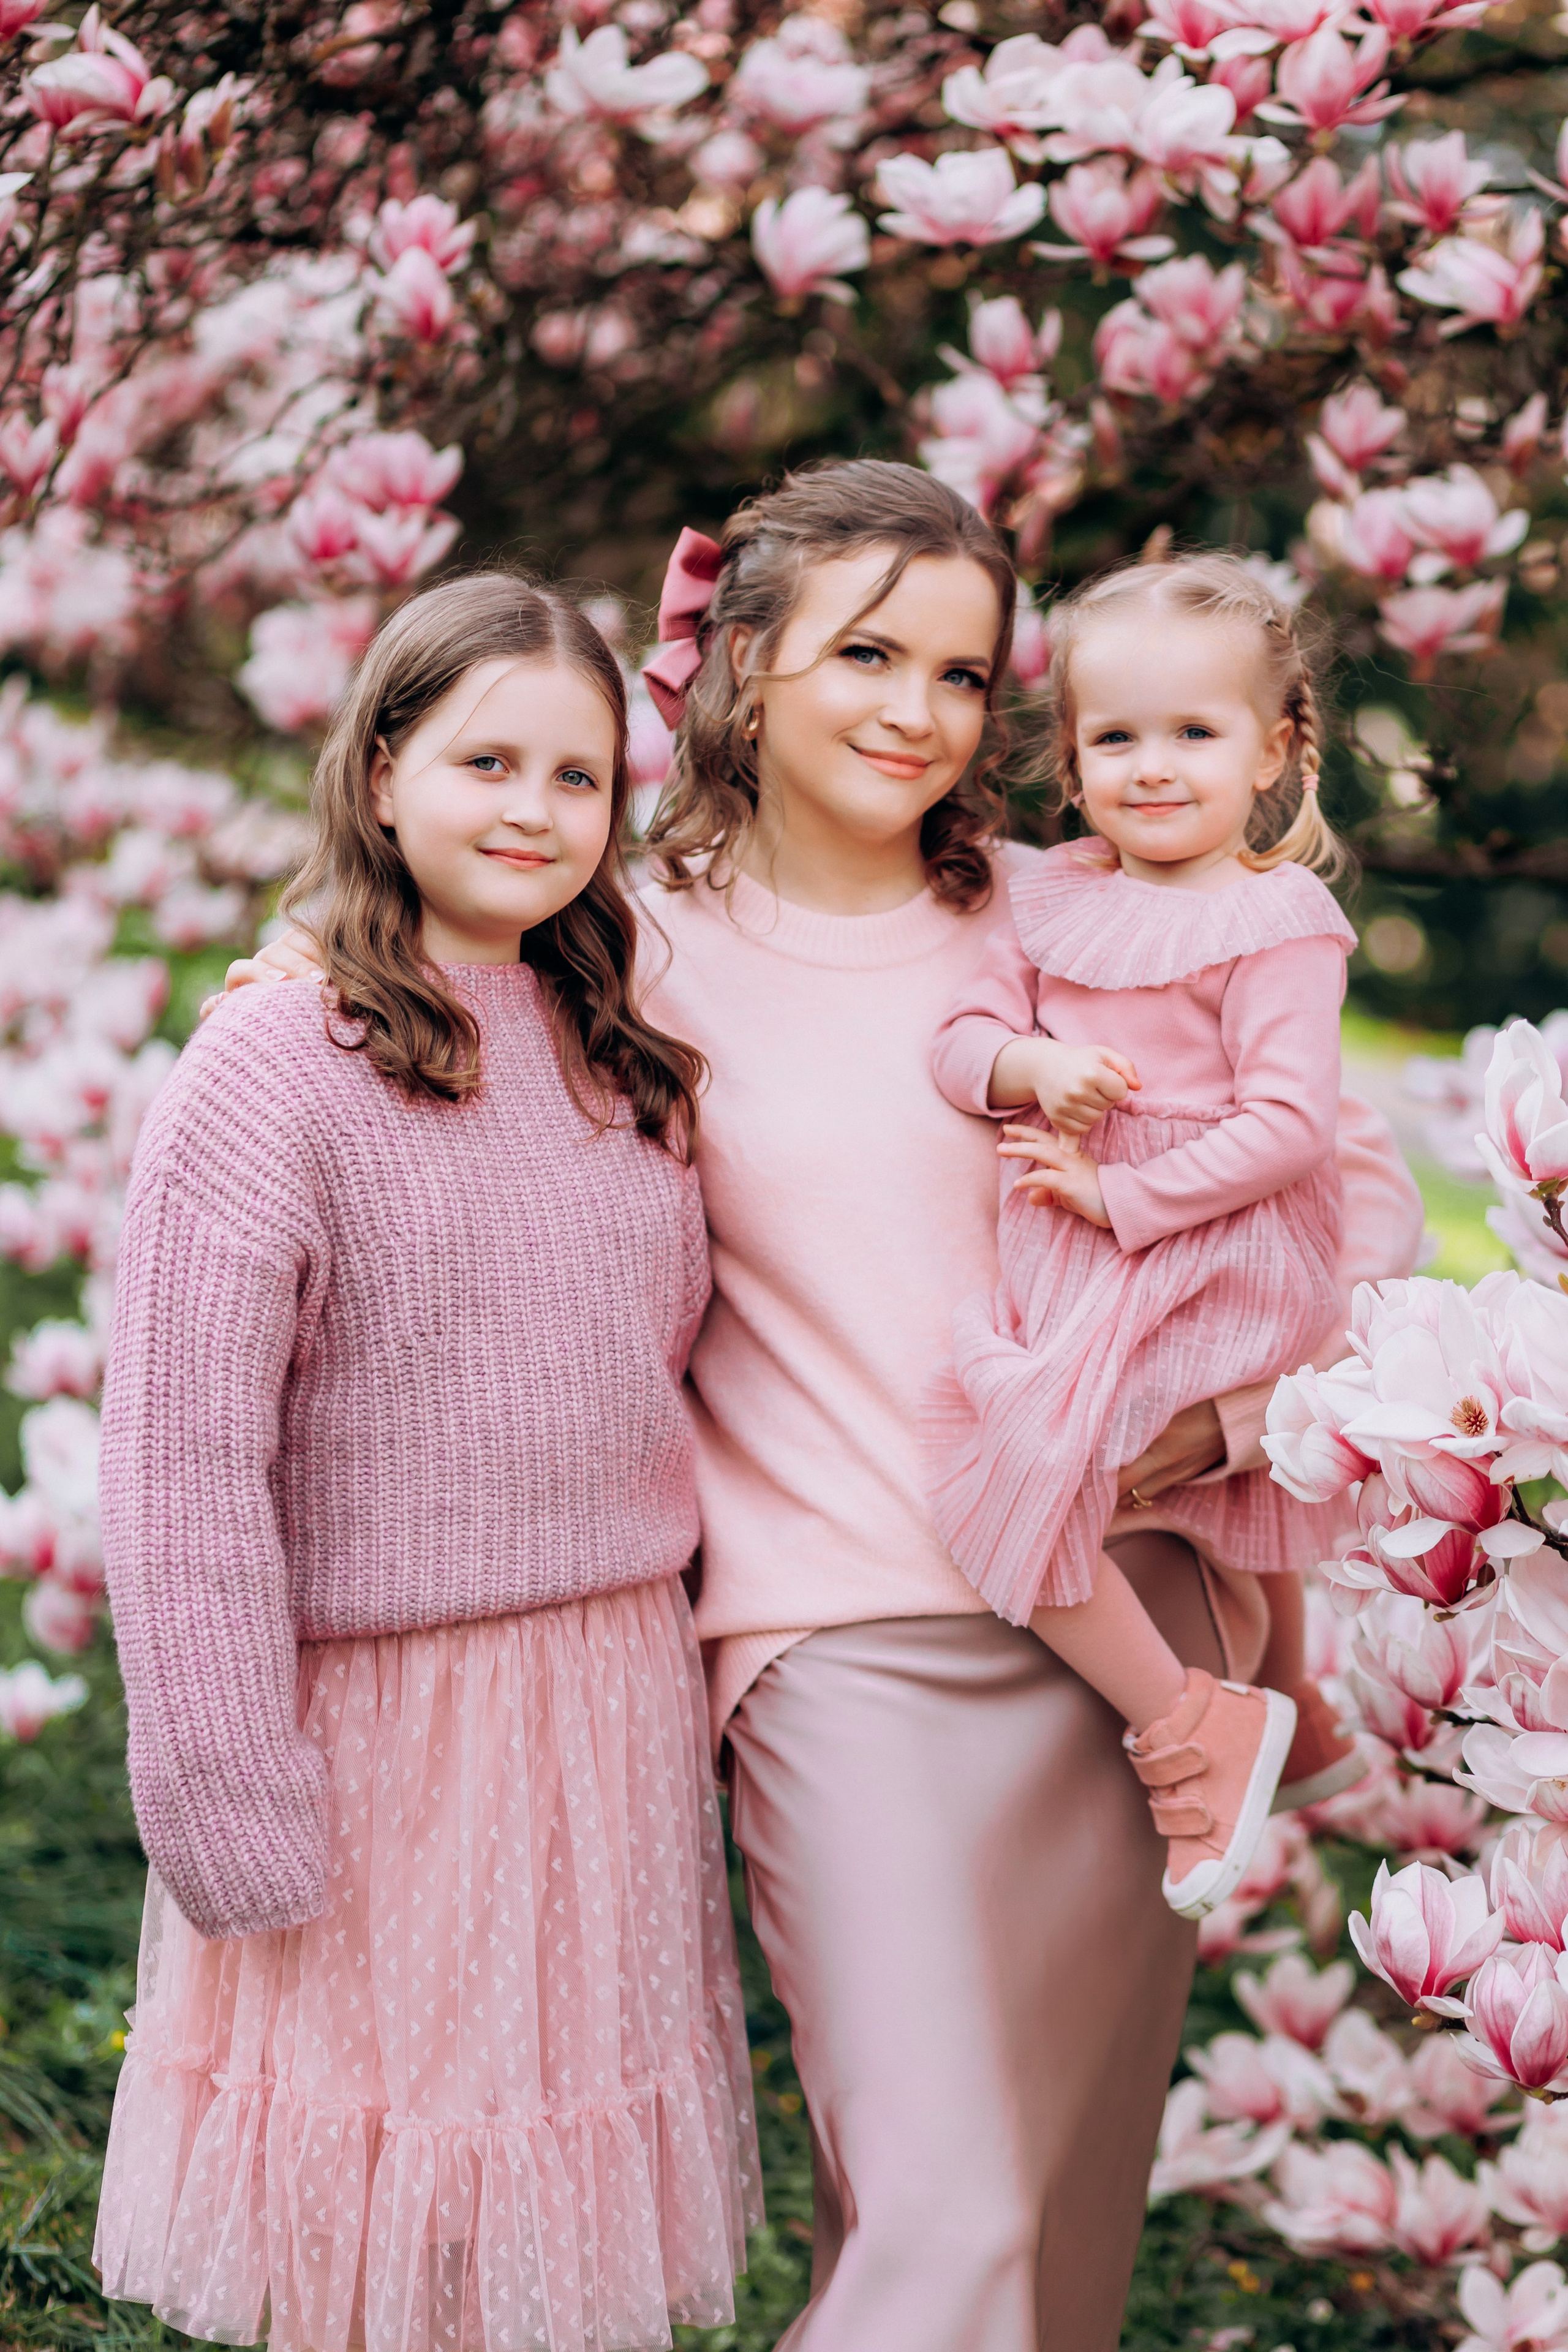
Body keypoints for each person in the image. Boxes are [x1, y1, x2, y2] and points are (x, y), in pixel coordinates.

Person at [222, 466, 1423, 2352]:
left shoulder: (1071, 914)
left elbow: (1348, 1194)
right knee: (942, 2230)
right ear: (746, 666)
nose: (915, 711)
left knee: (1052, 2255)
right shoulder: (617, 940)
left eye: (960, 673)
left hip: (1125, 1634)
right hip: (836, 1647)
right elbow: (407, 991)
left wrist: (1238, 1408)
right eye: (869, 651)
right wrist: (303, 964)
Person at [93, 575, 759, 2352]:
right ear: (381, 772)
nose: (536, 813)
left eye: (578, 778)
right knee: (385, 2195)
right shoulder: (274, 1064)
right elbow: (180, 1462)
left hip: (603, 1691)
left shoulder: (620, 1053)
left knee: (544, 2183)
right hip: (385, 1723)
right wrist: (222, 1779)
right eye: (487, 763)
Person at [923, 553, 1368, 1922]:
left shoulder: (1276, 921)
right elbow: (956, 1040)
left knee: (1021, 1480)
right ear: (1070, 755)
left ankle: (1190, 1723)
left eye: (1194, 732)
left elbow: (1287, 1125)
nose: (1152, 767)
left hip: (1210, 1255)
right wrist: (1024, 1072)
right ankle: (1289, 1691)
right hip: (1079, 1249)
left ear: (1276, 747)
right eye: (1115, 736)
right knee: (1123, 1478)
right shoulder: (1050, 894)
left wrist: (1125, 1197)